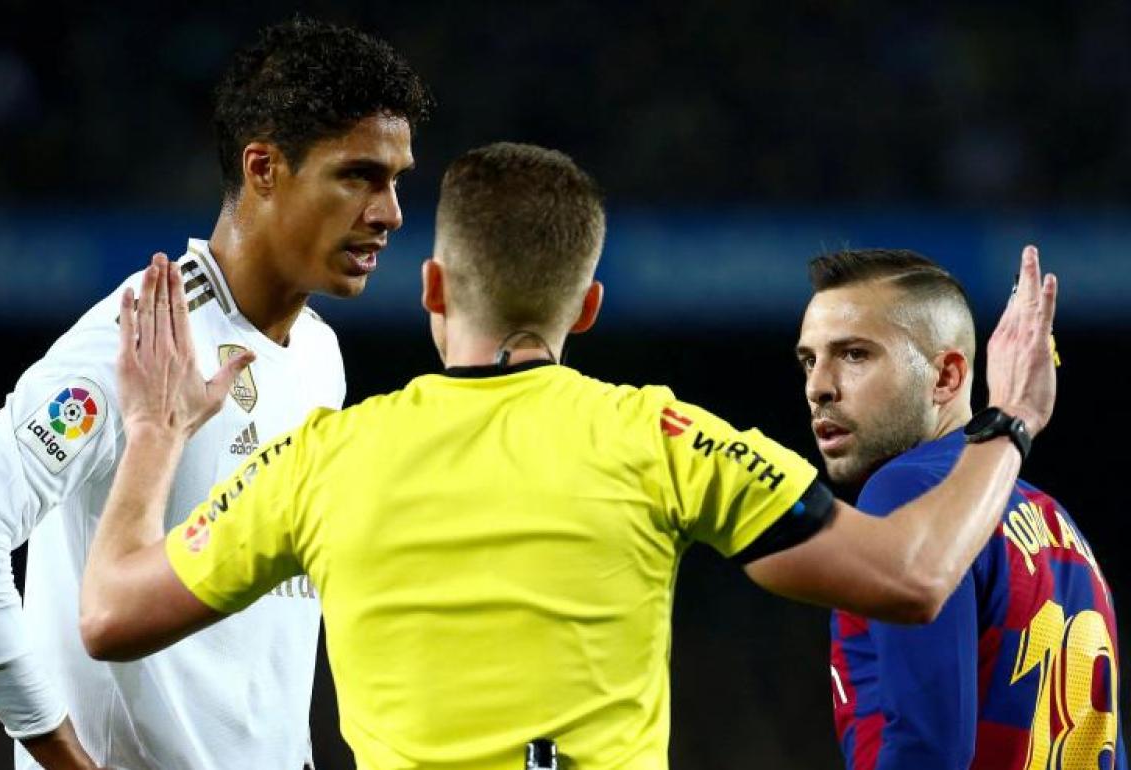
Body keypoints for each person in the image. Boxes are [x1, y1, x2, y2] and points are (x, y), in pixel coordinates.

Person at [80, 143, 1058, 769]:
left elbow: (112, 610)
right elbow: (914, 573)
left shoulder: (323, 461)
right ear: (586, 306)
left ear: (431, 287)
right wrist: (1006, 419)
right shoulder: (660, 438)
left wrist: (158, 434)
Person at [0, 17, 431, 770]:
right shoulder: (139, 341)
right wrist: (61, 757)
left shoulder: (320, 355)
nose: (389, 214)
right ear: (263, 169)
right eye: (358, 176)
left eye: (396, 181)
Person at [795, 249, 1124, 769]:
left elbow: (930, 748)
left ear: (947, 377)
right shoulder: (1056, 522)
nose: (818, 387)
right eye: (809, 360)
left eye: (855, 354)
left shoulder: (905, 492)